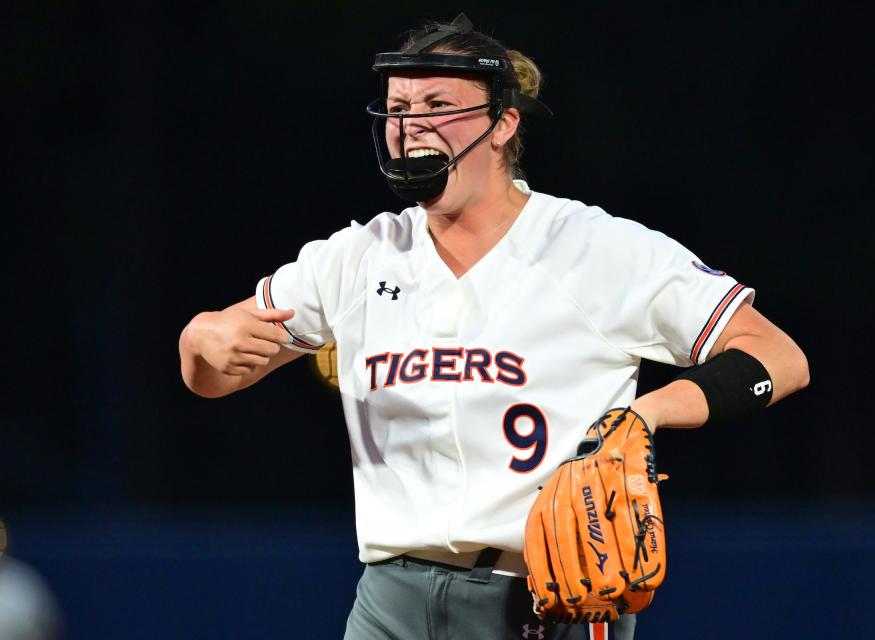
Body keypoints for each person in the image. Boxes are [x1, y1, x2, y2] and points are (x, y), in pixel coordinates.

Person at [178, 14, 809, 639]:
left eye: (438, 103)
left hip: (545, 601)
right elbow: (212, 375)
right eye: (398, 106)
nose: (410, 123)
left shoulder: (596, 249)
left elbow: (779, 356)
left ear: (503, 123)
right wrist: (200, 337)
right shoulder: (358, 256)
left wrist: (647, 414)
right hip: (389, 602)